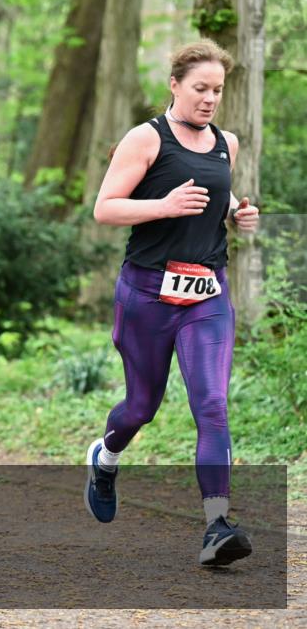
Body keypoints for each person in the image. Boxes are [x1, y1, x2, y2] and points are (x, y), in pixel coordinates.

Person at [86, 40, 260, 566]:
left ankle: (217, 525)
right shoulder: (145, 139)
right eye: (200, 89)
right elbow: (104, 208)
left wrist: (237, 212)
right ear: (176, 85)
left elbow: (216, 190)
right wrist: (161, 207)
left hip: (206, 293)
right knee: (142, 406)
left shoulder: (225, 142)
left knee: (211, 404)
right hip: (146, 294)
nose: (210, 99)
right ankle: (106, 457)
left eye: (218, 91)